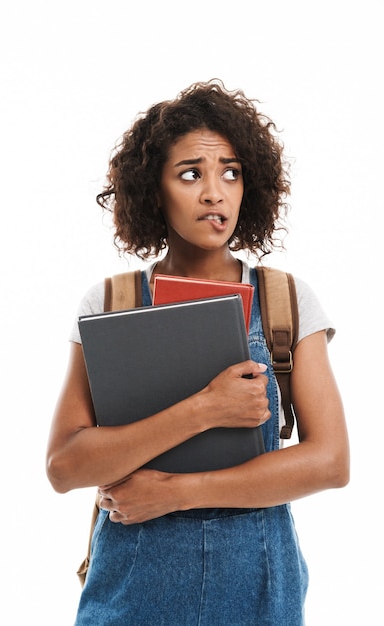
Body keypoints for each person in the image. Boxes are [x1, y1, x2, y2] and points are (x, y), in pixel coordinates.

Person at [46, 79, 350, 625]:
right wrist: (204, 410)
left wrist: (177, 493)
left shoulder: (286, 300)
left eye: (230, 173)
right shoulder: (111, 302)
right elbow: (65, 466)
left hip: (258, 588)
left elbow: (330, 462)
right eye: (191, 174)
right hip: (132, 591)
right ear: (153, 190)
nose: (215, 192)